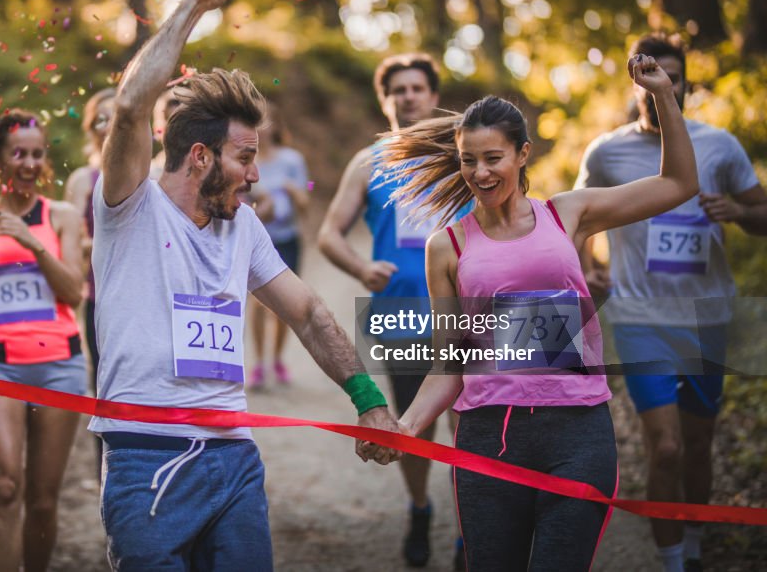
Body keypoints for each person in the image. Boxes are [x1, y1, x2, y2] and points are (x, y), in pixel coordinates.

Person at [89, 0, 401, 571]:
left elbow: (307, 313)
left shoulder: (244, 227)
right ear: (200, 156)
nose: (257, 174)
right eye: (246, 157)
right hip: (146, 454)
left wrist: (367, 399)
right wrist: (193, 4)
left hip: (233, 456)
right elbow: (129, 107)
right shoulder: (131, 206)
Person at [377, 53, 699, 571]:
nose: (480, 173)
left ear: (522, 154)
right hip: (488, 438)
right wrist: (407, 425)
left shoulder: (567, 213)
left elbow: (678, 183)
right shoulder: (447, 247)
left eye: (493, 158)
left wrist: (662, 94)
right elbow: (449, 363)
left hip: (577, 432)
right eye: (468, 160)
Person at [575, 34, 767, 572]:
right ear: (634, 80)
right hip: (640, 320)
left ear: (684, 85)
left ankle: (695, 545)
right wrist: (588, 267)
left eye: (673, 76)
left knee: (699, 443)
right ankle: (672, 561)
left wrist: (738, 212)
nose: (662, 84)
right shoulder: (607, 152)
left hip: (707, 318)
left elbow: (763, 214)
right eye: (649, 74)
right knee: (666, 448)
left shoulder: (720, 146)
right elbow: (578, 218)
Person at [318, 52, 470, 568]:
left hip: (462, 310)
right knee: (415, 425)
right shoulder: (369, 162)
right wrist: (362, 268)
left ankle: (468, 530)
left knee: (467, 424)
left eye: (416, 88)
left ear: (433, 96)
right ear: (385, 101)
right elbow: (329, 234)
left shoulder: (460, 155)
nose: (407, 97)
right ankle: (420, 507)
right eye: (397, 90)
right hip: (400, 314)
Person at [0, 109, 86, 572]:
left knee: (43, 500)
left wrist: (33, 243)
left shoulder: (61, 216)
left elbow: (73, 293)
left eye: (37, 154)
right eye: (18, 154)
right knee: (6, 487)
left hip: (59, 365)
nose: (29, 164)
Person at [64, 88, 117, 481]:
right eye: (101, 117)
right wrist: (95, 243)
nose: (108, 124)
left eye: (116, 116)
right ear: (91, 127)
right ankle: (105, 471)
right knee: (101, 383)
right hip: (98, 297)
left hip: (142, 299)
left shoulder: (151, 175)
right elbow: (66, 241)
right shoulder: (82, 180)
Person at [246, 103, 309, 388]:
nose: (262, 128)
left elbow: (306, 201)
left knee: (285, 304)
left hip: (287, 239)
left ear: (277, 125)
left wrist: (293, 190)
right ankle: (259, 364)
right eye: (256, 122)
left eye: (267, 121)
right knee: (257, 303)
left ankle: (277, 359)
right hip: (256, 241)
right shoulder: (245, 159)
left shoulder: (292, 160)